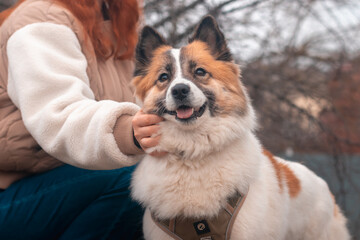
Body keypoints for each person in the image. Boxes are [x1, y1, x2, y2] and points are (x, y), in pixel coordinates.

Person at [0, 0, 163, 239]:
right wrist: (128, 132)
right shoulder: (41, 18)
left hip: (78, 182)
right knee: (137, 183)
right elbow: (57, 117)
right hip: (14, 192)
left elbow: (149, 104)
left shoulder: (124, 25)